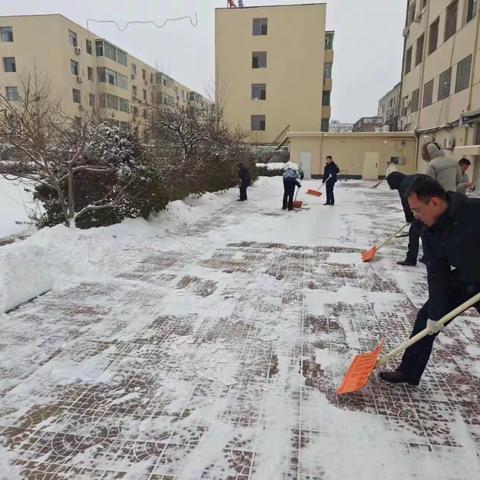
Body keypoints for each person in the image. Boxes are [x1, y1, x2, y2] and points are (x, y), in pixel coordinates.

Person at [380, 175, 480, 386]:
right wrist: (436, 315)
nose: (415, 216)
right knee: (426, 318)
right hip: (467, 277)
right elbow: (438, 274)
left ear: (434, 202)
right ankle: (409, 371)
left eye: (417, 210)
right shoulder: (430, 232)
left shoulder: (474, 211)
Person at [387, 172, 424, 266]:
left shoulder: (404, 186)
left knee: (414, 233)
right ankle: (428, 257)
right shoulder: (412, 178)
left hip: (423, 207)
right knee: (427, 232)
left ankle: (411, 259)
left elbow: (406, 204)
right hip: (433, 204)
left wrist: (409, 218)